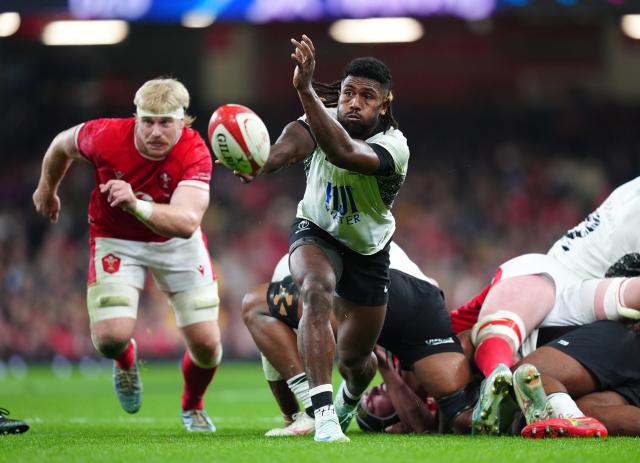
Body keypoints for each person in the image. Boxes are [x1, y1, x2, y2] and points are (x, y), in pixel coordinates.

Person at [237, 35, 410, 442]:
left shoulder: (394, 146)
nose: (353, 102)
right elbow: (287, 148)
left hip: (368, 252)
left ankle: (349, 398)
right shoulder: (320, 117)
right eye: (348, 93)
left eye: (366, 96)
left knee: (356, 361)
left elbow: (344, 153)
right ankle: (324, 417)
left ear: (384, 104)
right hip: (316, 229)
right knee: (315, 290)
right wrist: (259, 161)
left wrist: (305, 90)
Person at [32, 78, 222, 432]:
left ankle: (192, 405)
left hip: (176, 243)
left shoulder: (195, 150)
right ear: (136, 117)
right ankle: (125, 360)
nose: (155, 131)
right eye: (147, 121)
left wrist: (134, 203)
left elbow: (186, 223)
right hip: (116, 239)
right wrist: (47, 189)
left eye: (165, 122)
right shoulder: (105, 135)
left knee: (207, 346)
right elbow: (61, 145)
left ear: (182, 121)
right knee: (109, 340)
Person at [242, 242, 476, 437]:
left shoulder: (293, 265)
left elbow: (271, 357)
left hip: (368, 289)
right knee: (462, 416)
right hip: (423, 300)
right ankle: (498, 410)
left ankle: (316, 410)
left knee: (254, 305)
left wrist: (290, 415)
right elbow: (425, 427)